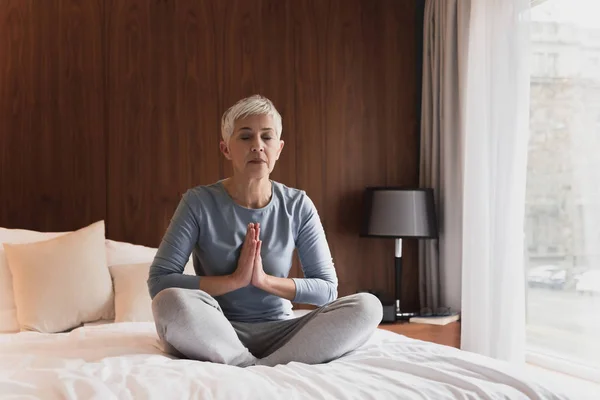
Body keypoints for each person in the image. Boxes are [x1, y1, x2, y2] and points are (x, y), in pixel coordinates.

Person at [147, 94, 382, 368]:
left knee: (368, 306)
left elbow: (327, 290)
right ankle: (251, 364)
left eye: (266, 137)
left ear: (278, 148)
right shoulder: (198, 203)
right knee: (168, 301)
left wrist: (264, 281)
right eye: (245, 137)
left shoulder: (298, 205)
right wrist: (234, 280)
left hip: (282, 333)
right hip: (214, 328)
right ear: (226, 149)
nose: (257, 146)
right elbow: (159, 282)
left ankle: (257, 366)